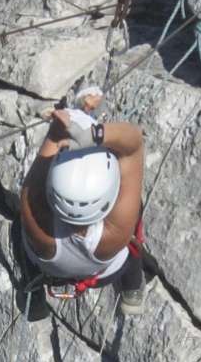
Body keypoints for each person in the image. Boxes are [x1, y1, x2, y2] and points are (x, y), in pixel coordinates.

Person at [18, 88, 149, 317]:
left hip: (50, 265)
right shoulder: (115, 233)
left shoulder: (36, 217)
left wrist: (72, 119)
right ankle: (132, 289)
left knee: (18, 228)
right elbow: (134, 142)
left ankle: (33, 291)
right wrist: (94, 135)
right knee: (134, 215)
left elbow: (55, 137)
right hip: (103, 274)